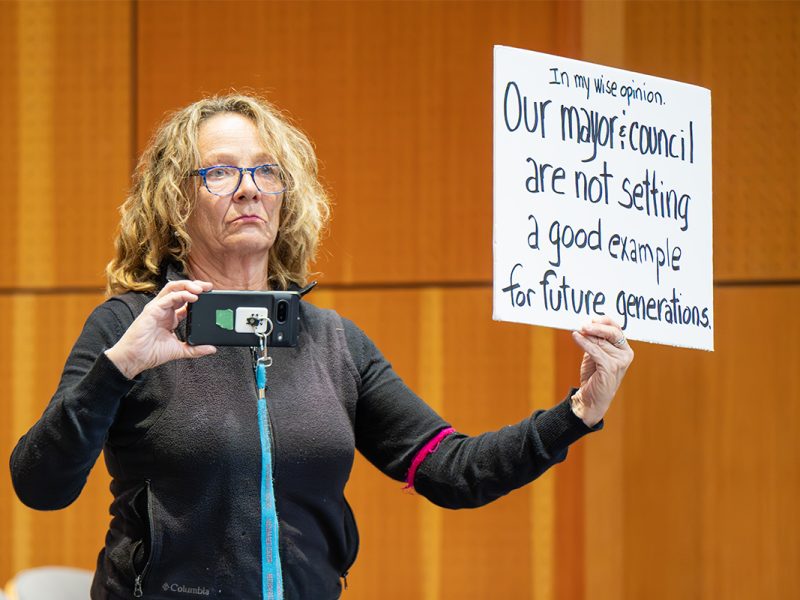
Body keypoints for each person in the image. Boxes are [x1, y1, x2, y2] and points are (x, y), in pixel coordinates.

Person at [10, 94, 634, 600]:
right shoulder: (130, 324)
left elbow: (452, 472)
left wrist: (579, 411)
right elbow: (40, 485)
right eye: (221, 171)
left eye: (265, 171)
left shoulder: (333, 341)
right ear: (176, 200)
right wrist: (118, 369)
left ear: (287, 195)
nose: (249, 188)